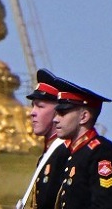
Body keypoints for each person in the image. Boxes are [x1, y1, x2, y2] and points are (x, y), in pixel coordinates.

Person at [50, 77, 112, 209]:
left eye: (62, 113)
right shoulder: (69, 153)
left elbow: (107, 204)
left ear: (84, 117)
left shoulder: (102, 152)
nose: (55, 119)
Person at [16, 69, 72, 209]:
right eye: (32, 105)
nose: (32, 113)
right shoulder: (48, 155)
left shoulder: (66, 152)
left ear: (59, 111)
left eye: (40, 106)